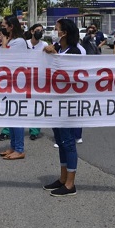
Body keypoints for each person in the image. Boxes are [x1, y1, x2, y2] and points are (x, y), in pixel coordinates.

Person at [43, 18, 82, 197]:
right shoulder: (60, 49)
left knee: (68, 142)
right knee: (60, 141)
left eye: (56, 29)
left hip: (68, 103)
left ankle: (70, 184)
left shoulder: (73, 52)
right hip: (56, 103)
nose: (54, 31)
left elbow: (70, 75)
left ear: (64, 33)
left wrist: (56, 54)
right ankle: (62, 178)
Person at [0, 15, 30, 160]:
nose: (2, 28)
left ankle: (20, 149)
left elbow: (7, 57)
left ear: (11, 26)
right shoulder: (11, 40)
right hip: (8, 81)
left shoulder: (19, 42)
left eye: (4, 25)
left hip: (18, 82)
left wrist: (3, 42)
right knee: (11, 116)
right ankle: (13, 146)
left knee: (17, 116)